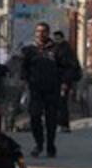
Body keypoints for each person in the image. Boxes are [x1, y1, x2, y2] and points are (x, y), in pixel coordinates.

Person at [21, 22, 65, 157]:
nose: (41, 34)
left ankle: (50, 145)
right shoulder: (29, 50)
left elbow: (67, 67)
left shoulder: (56, 50)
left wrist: (64, 83)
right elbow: (24, 68)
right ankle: (39, 144)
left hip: (52, 89)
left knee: (51, 119)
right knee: (34, 116)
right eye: (38, 31)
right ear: (35, 33)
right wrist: (25, 81)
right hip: (35, 89)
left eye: (44, 31)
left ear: (48, 33)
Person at [52, 31, 83, 132]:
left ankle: (63, 124)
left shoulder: (65, 50)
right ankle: (59, 123)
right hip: (57, 80)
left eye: (57, 38)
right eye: (55, 38)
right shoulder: (57, 48)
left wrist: (65, 82)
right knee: (58, 102)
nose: (56, 40)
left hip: (63, 81)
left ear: (61, 38)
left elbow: (69, 67)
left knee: (62, 102)